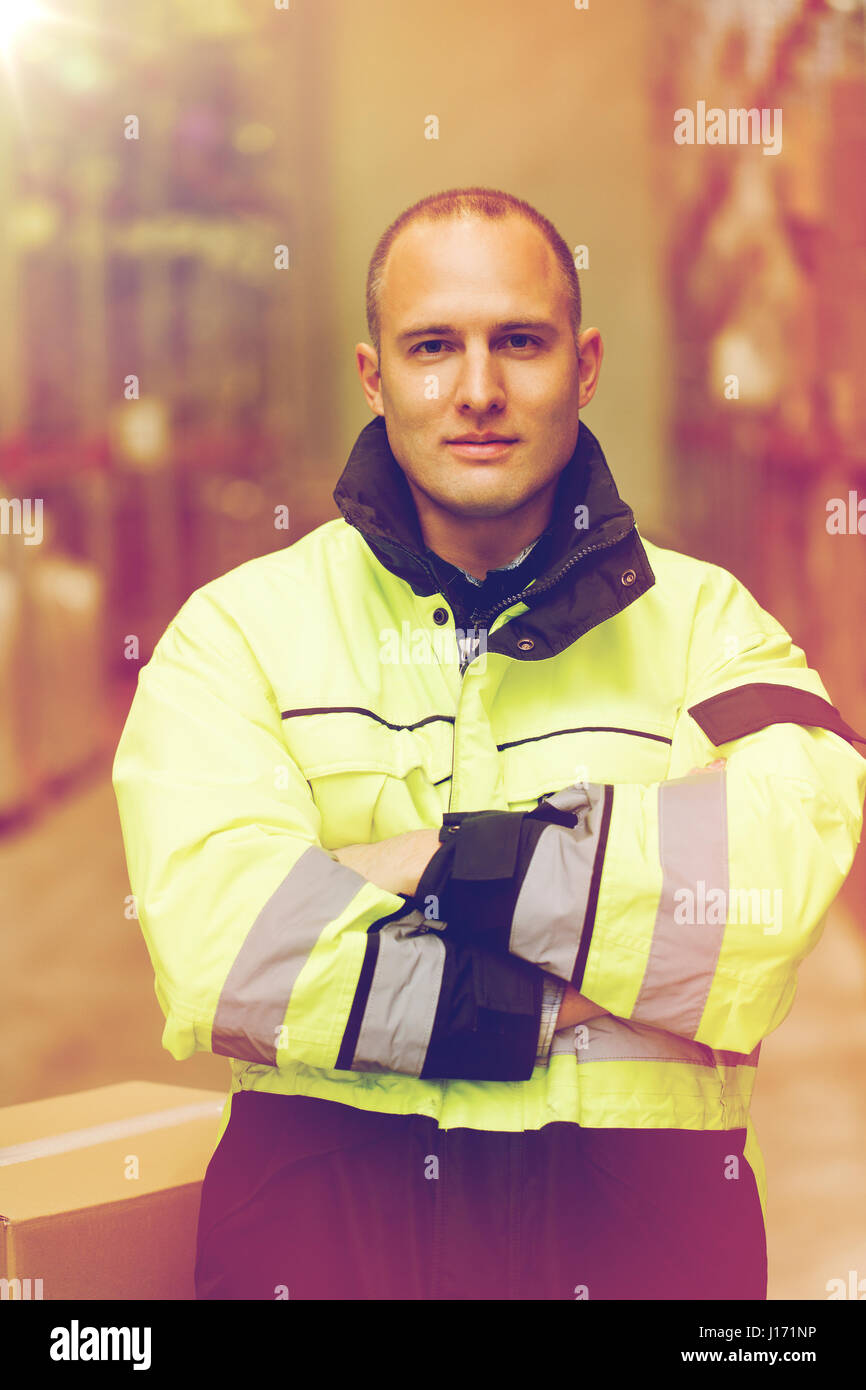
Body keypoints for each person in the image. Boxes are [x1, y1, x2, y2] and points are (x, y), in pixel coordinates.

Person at [112, 186, 866, 1301]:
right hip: (324, 1250)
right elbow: (229, 953)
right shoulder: (238, 633)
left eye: (518, 341)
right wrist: (571, 987)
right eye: (432, 347)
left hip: (638, 1251)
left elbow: (764, 891)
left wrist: (430, 859)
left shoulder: (710, 625)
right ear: (374, 375)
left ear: (584, 363)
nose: (476, 391)